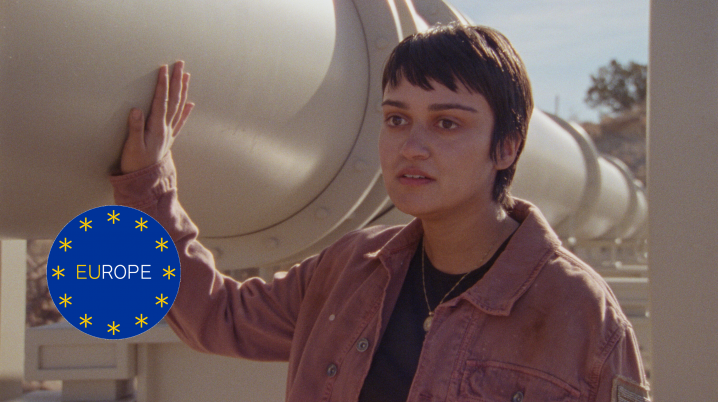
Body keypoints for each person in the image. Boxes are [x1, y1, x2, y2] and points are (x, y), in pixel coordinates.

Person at [111, 24, 650, 401]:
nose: (411, 146)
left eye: (446, 123)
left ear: (507, 146)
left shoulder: (582, 316)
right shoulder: (349, 268)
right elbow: (218, 316)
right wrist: (147, 183)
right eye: (396, 119)